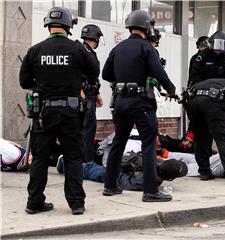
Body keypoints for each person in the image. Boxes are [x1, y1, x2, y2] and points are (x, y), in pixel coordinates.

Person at [19, 7, 100, 215]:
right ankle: (76, 204)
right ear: (68, 26)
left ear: (48, 25)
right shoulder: (77, 49)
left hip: (43, 114)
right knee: (73, 157)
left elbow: (24, 82)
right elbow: (94, 72)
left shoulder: (35, 50)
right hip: (70, 113)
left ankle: (34, 202)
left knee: (40, 158)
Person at [102, 10, 177, 202]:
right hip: (141, 102)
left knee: (119, 142)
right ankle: (150, 191)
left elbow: (106, 75)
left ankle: (110, 186)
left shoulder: (118, 48)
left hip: (120, 102)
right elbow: (159, 73)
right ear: (147, 27)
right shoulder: (147, 48)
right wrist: (171, 90)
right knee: (149, 144)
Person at [186, 78, 225, 186]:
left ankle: (204, 172)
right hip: (213, 99)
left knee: (201, 136)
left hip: (192, 98)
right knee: (223, 139)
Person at [57, 152, 188, 191]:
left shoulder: (158, 167)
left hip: (124, 168)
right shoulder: (142, 181)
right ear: (169, 178)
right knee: (93, 171)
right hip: (118, 172)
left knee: (93, 168)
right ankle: (63, 164)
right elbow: (123, 182)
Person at [80, 24, 104, 163]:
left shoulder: (88, 52)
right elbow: (76, 73)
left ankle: (87, 160)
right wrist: (80, 91)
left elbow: (92, 77)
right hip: (84, 96)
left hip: (90, 94)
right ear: (95, 37)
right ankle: (86, 162)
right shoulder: (82, 51)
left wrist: (97, 94)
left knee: (89, 128)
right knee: (87, 129)